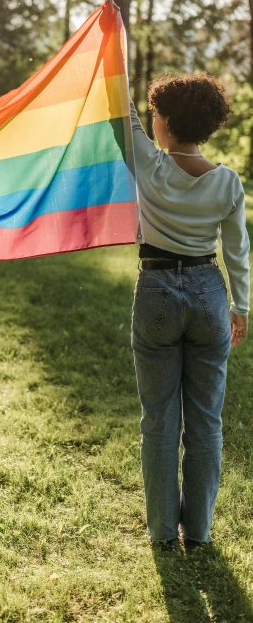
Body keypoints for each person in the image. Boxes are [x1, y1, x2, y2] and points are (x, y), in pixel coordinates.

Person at [129, 72, 249, 545]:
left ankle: (162, 532)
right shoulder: (228, 183)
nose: (152, 120)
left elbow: (124, 115)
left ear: (169, 122)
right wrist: (240, 307)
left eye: (157, 113)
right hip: (209, 295)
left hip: (156, 288)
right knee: (206, 418)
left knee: (159, 417)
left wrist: (112, 40)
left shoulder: (150, 166)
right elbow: (237, 252)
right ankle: (198, 531)